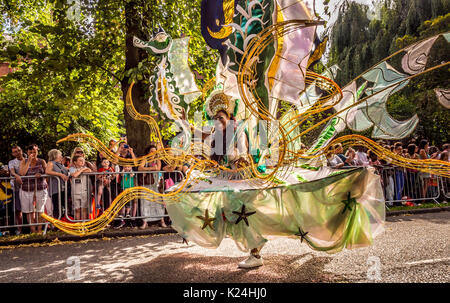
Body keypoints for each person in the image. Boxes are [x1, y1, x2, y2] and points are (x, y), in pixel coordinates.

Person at [19, 144, 47, 234]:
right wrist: (28, 162)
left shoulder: (42, 161)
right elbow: (22, 173)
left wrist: (41, 175)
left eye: (34, 152)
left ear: (37, 152)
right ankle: (33, 230)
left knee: (40, 210)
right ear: (27, 152)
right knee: (29, 211)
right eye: (30, 152)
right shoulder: (23, 161)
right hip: (26, 189)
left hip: (40, 188)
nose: (32, 153)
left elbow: (47, 172)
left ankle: (39, 230)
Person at [138, 145, 166, 229]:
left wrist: (146, 169)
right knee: (145, 202)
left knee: (158, 202)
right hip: (146, 184)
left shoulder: (158, 159)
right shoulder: (145, 159)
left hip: (155, 184)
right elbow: (140, 168)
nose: (153, 153)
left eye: (155, 151)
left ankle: (162, 220)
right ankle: (145, 222)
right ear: (148, 152)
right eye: (152, 151)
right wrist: (151, 168)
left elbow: (158, 168)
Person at [45, 149, 69, 219]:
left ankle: (63, 221)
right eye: (60, 155)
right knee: (57, 207)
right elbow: (47, 171)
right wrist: (60, 174)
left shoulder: (61, 164)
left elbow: (68, 170)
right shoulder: (51, 163)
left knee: (63, 206)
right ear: (55, 155)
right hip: (55, 189)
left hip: (63, 188)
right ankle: (57, 223)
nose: (61, 156)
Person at [69, 155, 92, 221]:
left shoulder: (85, 168)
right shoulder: (72, 168)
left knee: (84, 209)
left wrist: (81, 170)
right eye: (80, 160)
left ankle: (83, 225)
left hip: (84, 191)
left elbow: (89, 171)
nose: (82, 162)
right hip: (75, 192)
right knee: (77, 209)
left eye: (83, 160)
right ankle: (78, 225)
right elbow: (75, 175)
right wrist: (82, 170)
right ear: (75, 162)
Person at [8, 145, 24, 235]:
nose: (17, 153)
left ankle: (29, 228)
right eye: (15, 152)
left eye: (18, 150)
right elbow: (12, 172)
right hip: (16, 188)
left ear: (21, 150)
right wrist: (16, 175)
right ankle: (19, 229)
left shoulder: (27, 160)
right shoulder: (12, 162)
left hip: (28, 187)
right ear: (12, 154)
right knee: (18, 209)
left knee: (29, 209)